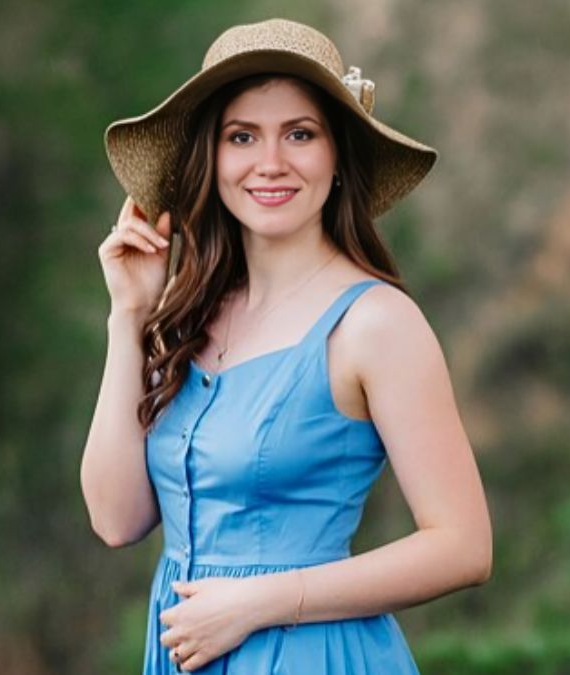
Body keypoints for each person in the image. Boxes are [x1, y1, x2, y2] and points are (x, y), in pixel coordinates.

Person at [79, 18, 492, 674]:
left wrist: (263, 600)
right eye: (242, 136)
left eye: (300, 134)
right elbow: (114, 517)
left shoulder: (376, 323)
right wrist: (127, 314)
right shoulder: (188, 318)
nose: (270, 163)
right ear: (211, 160)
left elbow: (464, 545)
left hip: (312, 654)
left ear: (337, 158)